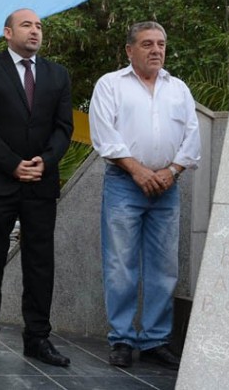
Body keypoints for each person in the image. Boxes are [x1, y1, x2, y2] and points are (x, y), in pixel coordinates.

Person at [88, 21, 201, 370]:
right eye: (147, 43)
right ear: (129, 50)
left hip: (167, 187)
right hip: (124, 184)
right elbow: (105, 135)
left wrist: (171, 172)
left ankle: (155, 339)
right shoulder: (110, 85)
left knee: (164, 267)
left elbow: (192, 138)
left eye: (161, 44)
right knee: (121, 265)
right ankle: (121, 338)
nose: (156, 50)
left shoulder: (178, 89)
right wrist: (138, 171)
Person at [0, 8, 73, 367]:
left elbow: (63, 128)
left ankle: (37, 339)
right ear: (7, 32)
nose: (35, 31)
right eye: (27, 25)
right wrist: (13, 165)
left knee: (41, 264)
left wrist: (47, 160)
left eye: (39, 26)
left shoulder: (58, 75)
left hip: (41, 183)